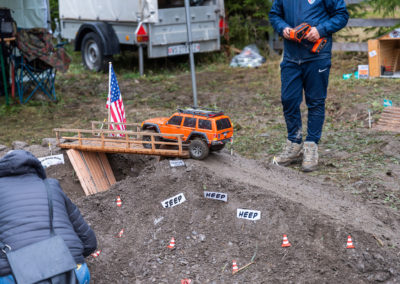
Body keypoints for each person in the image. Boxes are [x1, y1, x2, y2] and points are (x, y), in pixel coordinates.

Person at [269, 0, 349, 172]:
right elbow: (275, 14)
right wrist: (283, 28)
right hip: (291, 58)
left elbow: (342, 15)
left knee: (315, 101)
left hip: (317, 56)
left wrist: (320, 30)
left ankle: (311, 145)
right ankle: (294, 142)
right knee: (288, 100)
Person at [0, 150, 97, 284]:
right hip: (71, 271)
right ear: (37, 168)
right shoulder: (51, 186)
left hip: (14, 274)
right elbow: (89, 242)